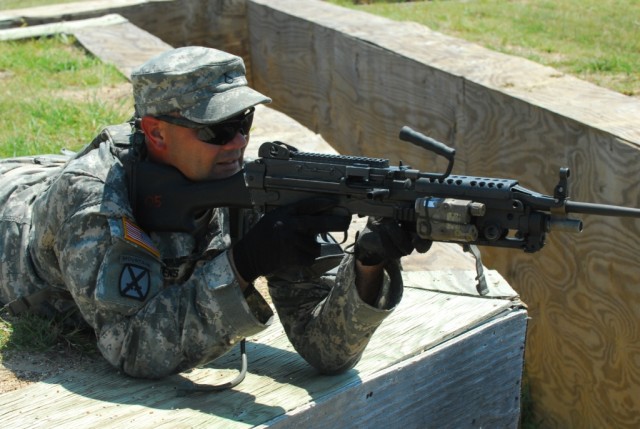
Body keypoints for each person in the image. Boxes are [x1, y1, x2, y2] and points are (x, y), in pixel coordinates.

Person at [0, 46, 427, 382]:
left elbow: (327, 349)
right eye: (217, 129)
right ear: (156, 132)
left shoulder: (253, 183)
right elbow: (130, 344)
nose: (238, 141)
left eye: (245, 120)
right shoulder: (95, 198)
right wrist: (243, 265)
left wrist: (369, 267)